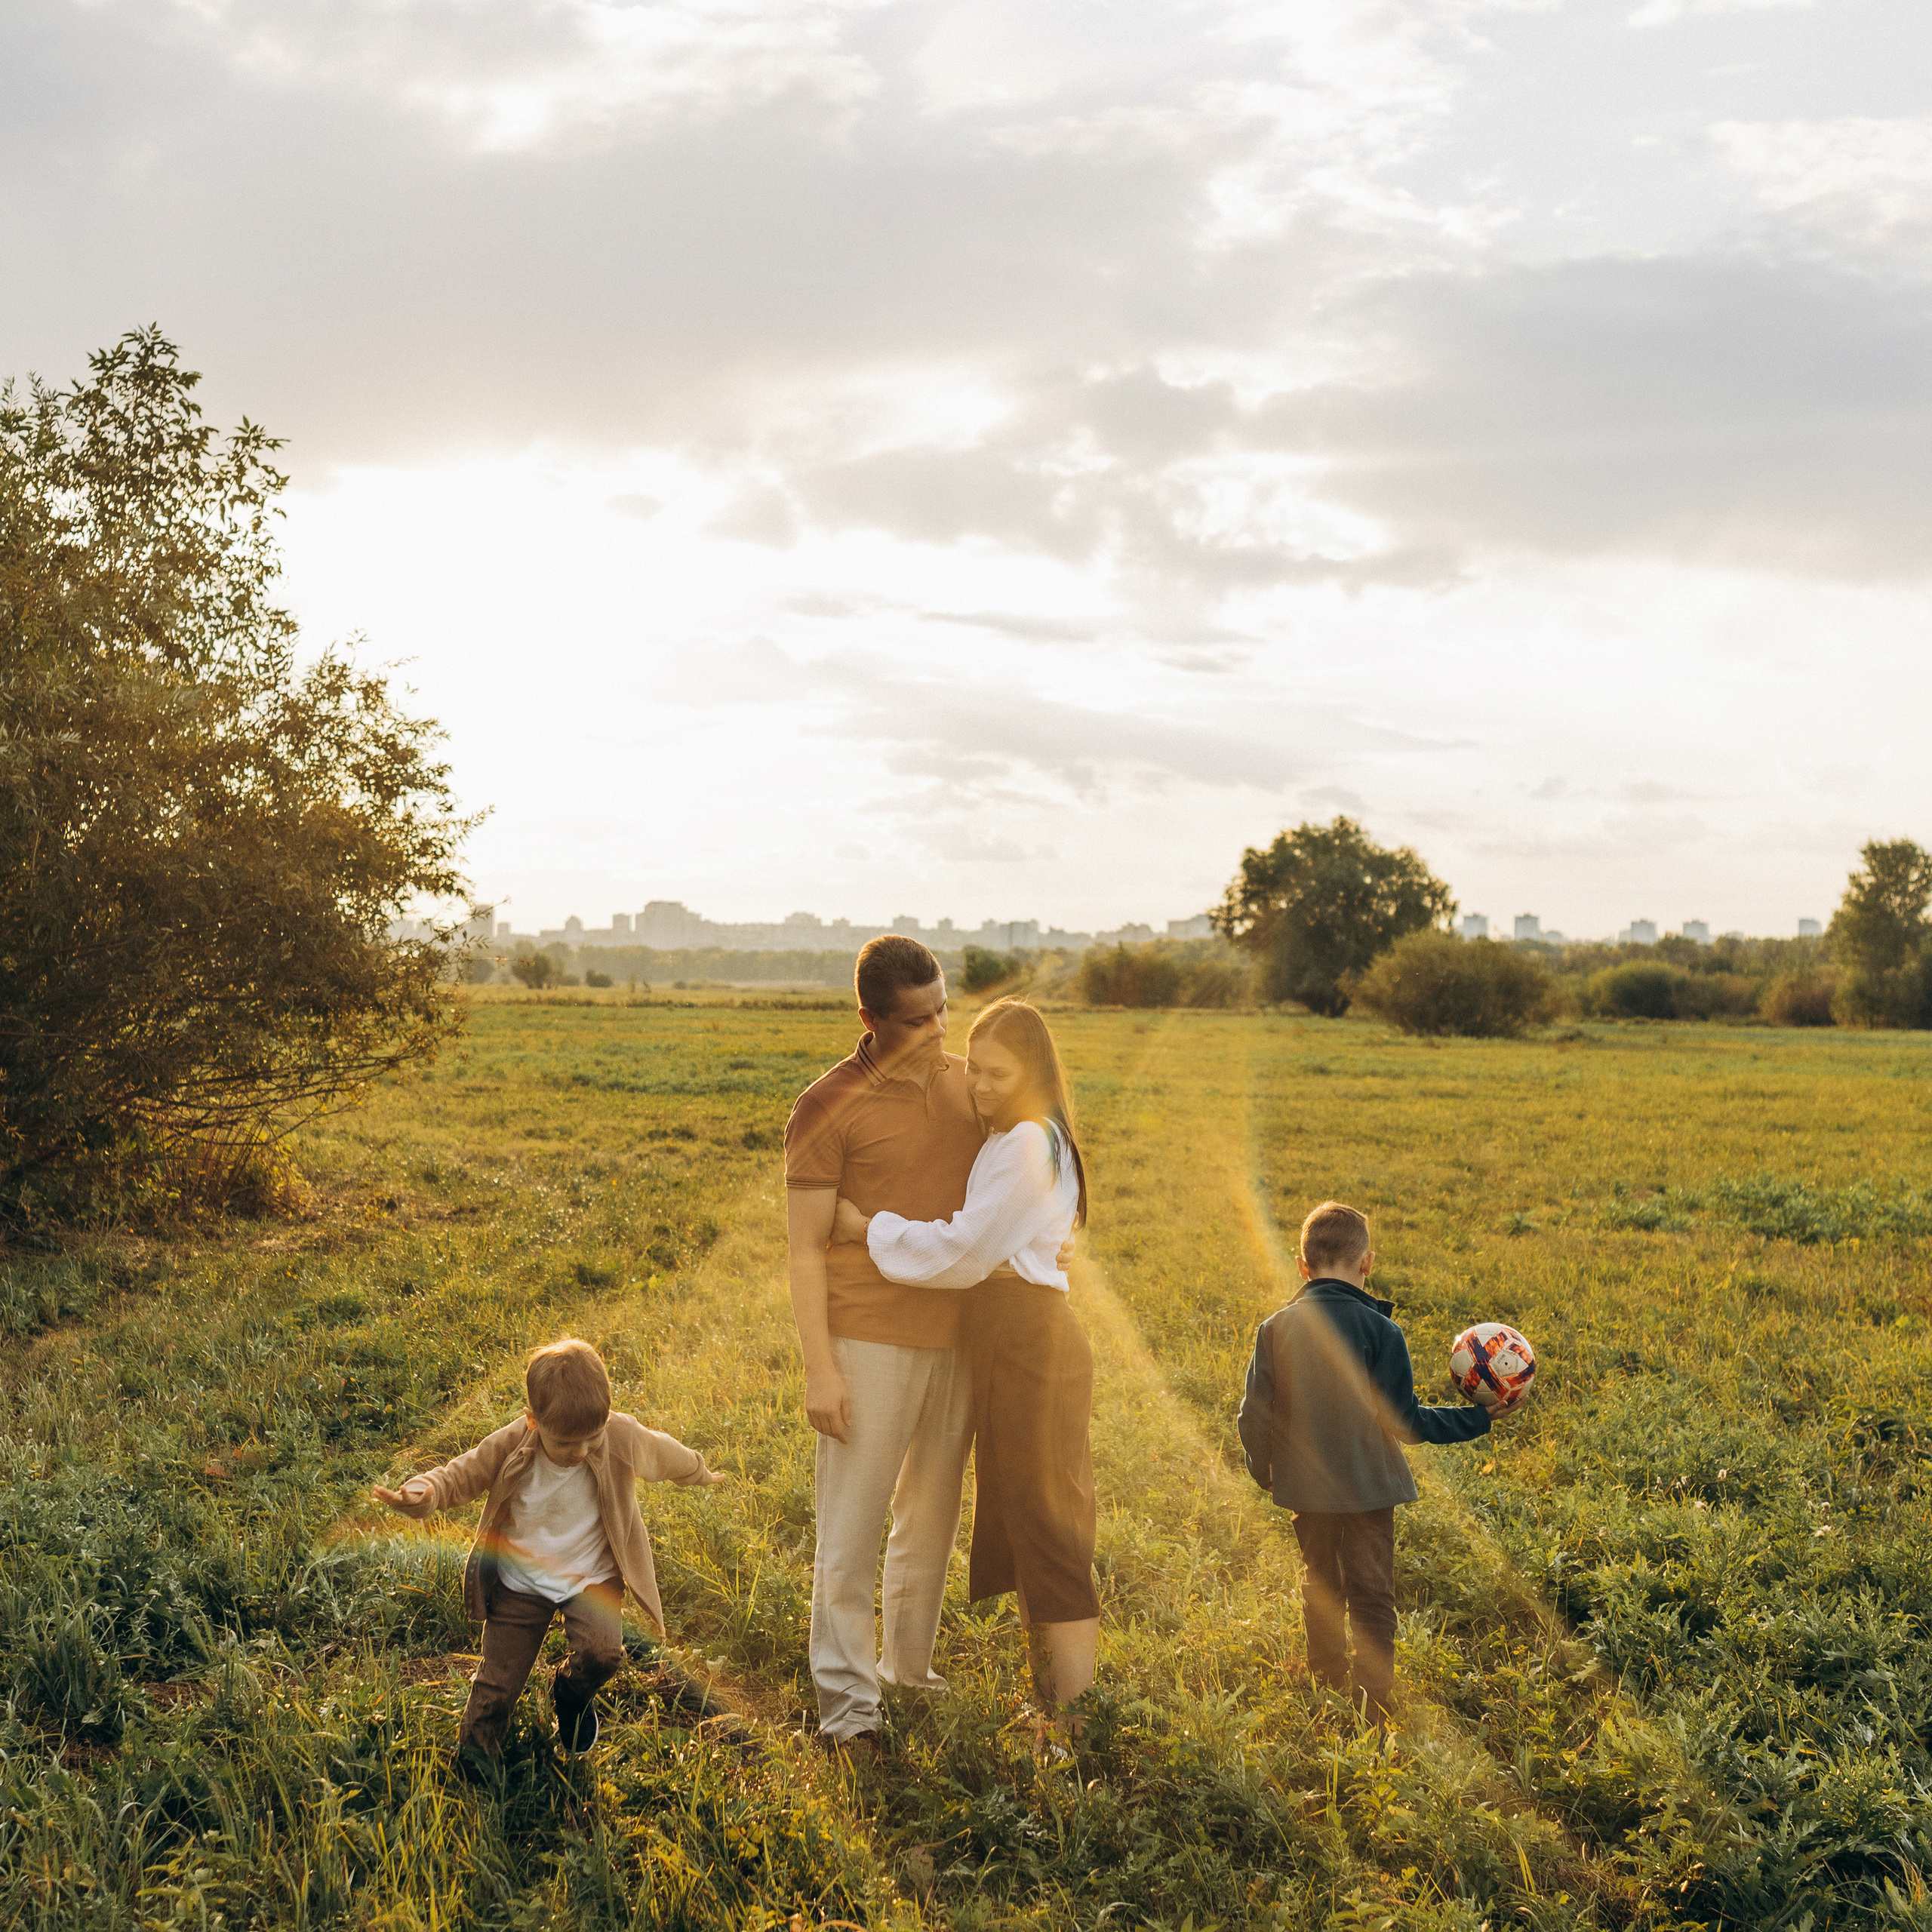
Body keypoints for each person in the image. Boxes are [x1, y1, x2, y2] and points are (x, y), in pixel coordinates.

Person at [833, 997, 1097, 1735]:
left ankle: (1070, 1718)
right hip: (1019, 1337)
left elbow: (964, 1250)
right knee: (1033, 1521)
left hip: (1026, 1339)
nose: (978, 1085)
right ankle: (1053, 1703)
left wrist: (867, 1226)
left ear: (1033, 1072)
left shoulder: (1022, 1145)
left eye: (996, 1073)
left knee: (1046, 1530)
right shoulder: (1027, 1135)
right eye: (972, 1069)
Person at [783, 934, 985, 1749]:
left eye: (944, 1011)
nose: (939, 1031)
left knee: (931, 1518)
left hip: (960, 1334)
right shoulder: (825, 1105)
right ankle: (848, 1709)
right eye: (916, 1020)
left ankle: (909, 1669)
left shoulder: (968, 1084)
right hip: (866, 1336)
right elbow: (803, 1246)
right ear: (868, 1018)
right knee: (852, 1529)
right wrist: (820, 1368)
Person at [373, 1337, 723, 1764]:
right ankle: (476, 1756)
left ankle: (571, 1697)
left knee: (602, 1655)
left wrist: (699, 1471)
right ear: (533, 1421)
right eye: (565, 1444)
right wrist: (422, 1492)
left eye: (592, 1439)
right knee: (498, 1682)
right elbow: (459, 1474)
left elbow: (664, 1452)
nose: (580, 1452)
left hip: (591, 1577)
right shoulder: (512, 1443)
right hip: (521, 1583)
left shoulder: (619, 1434)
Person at [1236, 1201, 1516, 1722]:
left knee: (1319, 1583)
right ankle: (1374, 1703)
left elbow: (1253, 1417)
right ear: (1367, 1263)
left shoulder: (1274, 1329)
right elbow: (1405, 1423)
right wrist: (1478, 1419)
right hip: (1370, 1492)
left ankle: (1324, 1678)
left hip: (1306, 1491)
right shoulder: (1383, 1332)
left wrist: (1265, 1470)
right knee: (1371, 1595)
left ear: (1303, 1266)